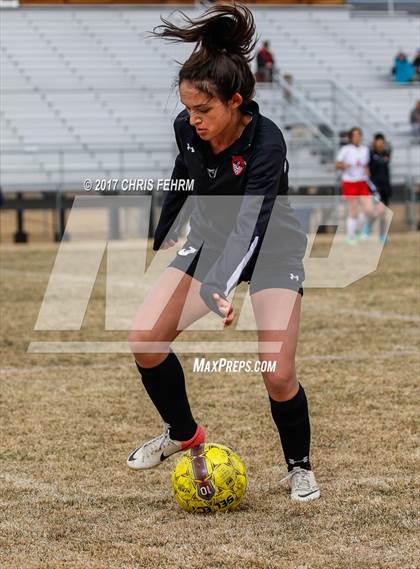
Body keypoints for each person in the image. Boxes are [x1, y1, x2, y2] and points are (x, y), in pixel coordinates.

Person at [127, 4, 320, 502]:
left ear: (236, 101)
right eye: (188, 109)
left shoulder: (267, 142)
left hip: (271, 244)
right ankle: (181, 433)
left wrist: (220, 285)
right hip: (208, 240)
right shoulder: (187, 128)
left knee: (277, 374)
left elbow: (252, 224)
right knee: (145, 341)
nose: (194, 120)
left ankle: (298, 466)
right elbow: (184, 172)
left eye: (204, 110)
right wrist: (165, 223)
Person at [335, 127, 373, 245]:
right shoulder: (346, 149)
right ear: (351, 137)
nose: (357, 138)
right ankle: (350, 236)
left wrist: (367, 171)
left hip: (362, 182)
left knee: (368, 209)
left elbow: (365, 165)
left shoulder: (365, 150)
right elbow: (337, 164)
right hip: (349, 182)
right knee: (353, 210)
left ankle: (357, 230)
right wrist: (343, 166)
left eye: (359, 135)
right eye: (355, 135)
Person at [368, 133, 392, 243]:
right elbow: (369, 172)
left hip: (386, 186)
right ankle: (368, 229)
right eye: (378, 142)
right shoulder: (371, 155)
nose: (380, 144)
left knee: (383, 212)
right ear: (375, 142)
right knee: (380, 210)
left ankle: (382, 234)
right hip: (376, 187)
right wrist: (373, 186)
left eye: (382, 142)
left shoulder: (386, 154)